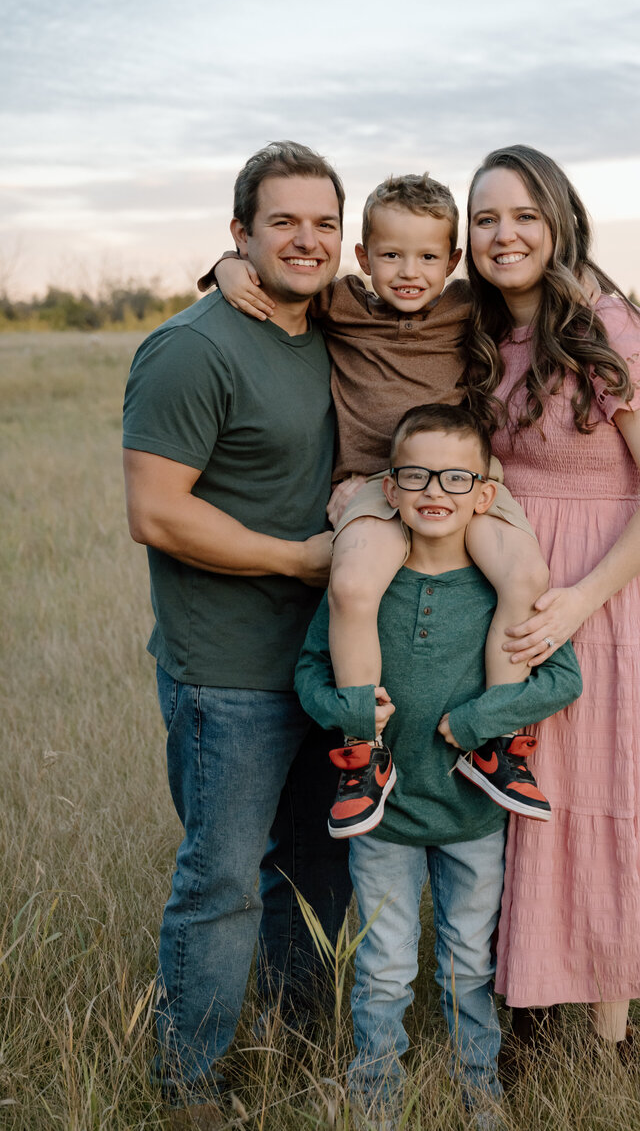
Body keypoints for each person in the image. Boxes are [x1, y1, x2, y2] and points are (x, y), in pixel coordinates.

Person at [201, 174, 551, 838]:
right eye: (391, 255)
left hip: (465, 479)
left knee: (526, 576)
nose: (409, 272)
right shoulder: (341, 302)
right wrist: (226, 266)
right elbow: (275, 277)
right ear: (363, 256)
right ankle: (364, 749)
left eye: (427, 257)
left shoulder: (467, 306)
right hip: (377, 482)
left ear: (453, 261)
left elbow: (540, 281)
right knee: (353, 583)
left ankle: (498, 739)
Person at [122, 141, 353, 1129]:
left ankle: (302, 1049)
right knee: (221, 883)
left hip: (331, 664)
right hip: (227, 670)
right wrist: (299, 560)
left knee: (319, 868)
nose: (306, 240)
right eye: (281, 221)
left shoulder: (339, 325)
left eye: (323, 223)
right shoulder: (192, 347)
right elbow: (158, 511)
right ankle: (190, 1088)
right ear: (240, 232)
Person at [462, 145, 640, 1057]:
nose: (505, 234)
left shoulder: (613, 330)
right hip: (505, 594)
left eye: (524, 214)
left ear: (561, 220)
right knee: (516, 797)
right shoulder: (481, 330)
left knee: (602, 795)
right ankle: (526, 1005)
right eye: (486, 219)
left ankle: (609, 1035)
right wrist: (231, 268)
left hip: (598, 599)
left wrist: (579, 601)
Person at [294, 404, 583, 1123]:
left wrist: (479, 721)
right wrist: (351, 713)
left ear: (484, 496)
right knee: (384, 967)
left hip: (472, 813)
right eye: (417, 476)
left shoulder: (499, 587)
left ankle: (479, 1094)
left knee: (468, 963)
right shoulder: (364, 583)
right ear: (389, 489)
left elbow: (562, 677)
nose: (435, 491)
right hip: (384, 817)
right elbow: (308, 673)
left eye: (456, 478)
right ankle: (376, 1100)